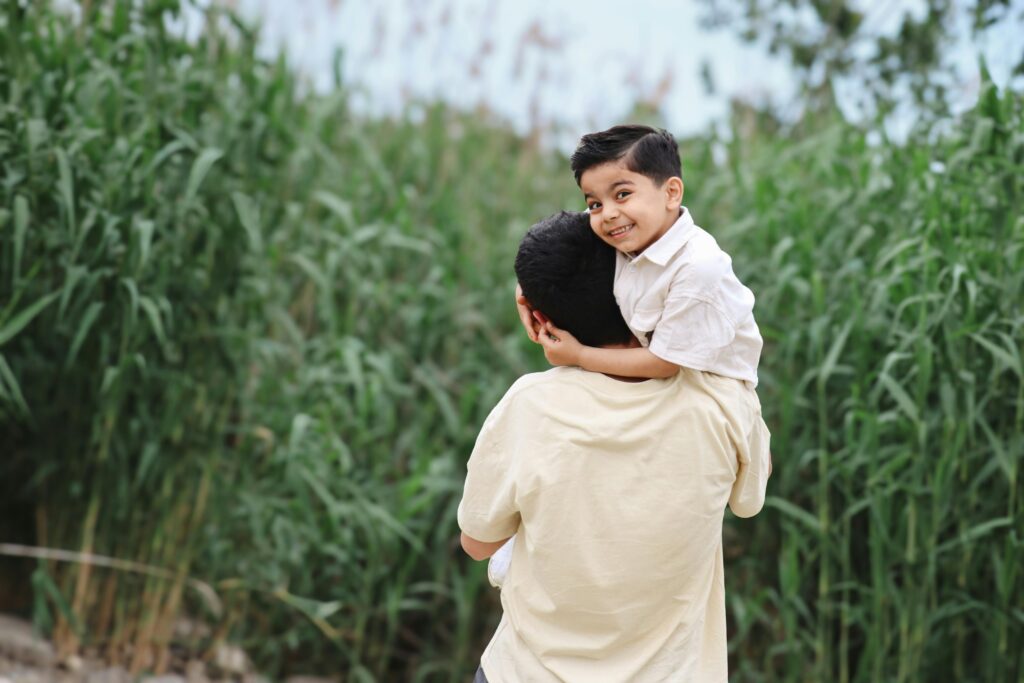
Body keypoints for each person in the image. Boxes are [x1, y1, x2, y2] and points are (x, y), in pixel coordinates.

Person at [458, 211, 771, 682]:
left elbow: (478, 543)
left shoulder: (531, 406)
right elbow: (748, 503)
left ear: (537, 315)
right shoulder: (722, 403)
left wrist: (535, 294)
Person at [516, 124, 762, 389]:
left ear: (671, 193)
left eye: (622, 195)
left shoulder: (697, 266)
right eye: (595, 203)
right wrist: (527, 292)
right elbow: (552, 249)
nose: (607, 213)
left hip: (709, 389)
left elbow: (664, 362)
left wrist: (580, 356)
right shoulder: (621, 226)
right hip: (659, 377)